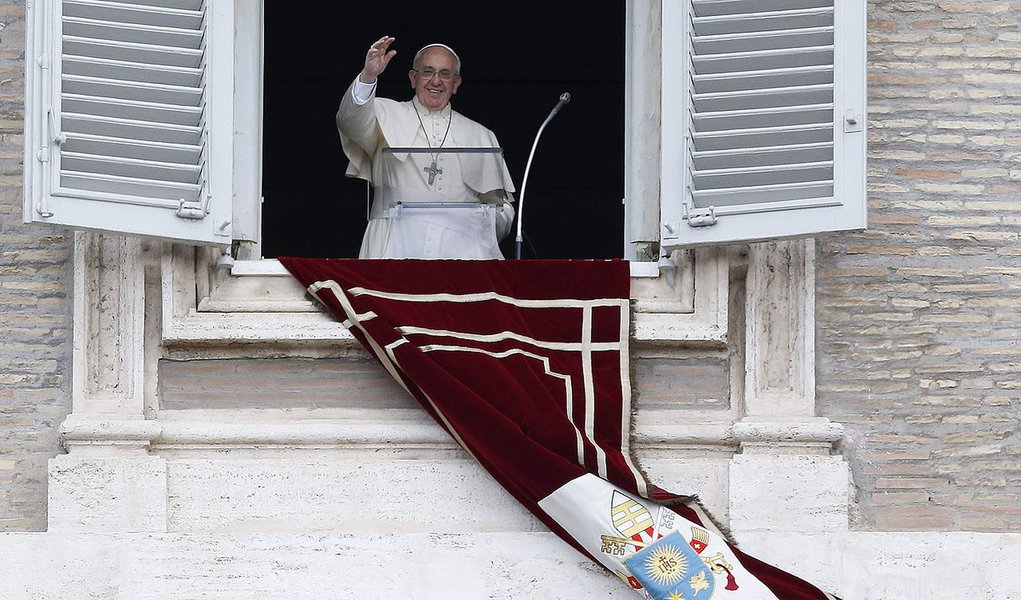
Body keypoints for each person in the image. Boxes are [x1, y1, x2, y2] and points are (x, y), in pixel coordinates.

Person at [336, 36, 516, 259]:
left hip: (463, 252)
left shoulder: (480, 134)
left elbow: (501, 212)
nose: (436, 81)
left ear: (456, 83)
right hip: (393, 246)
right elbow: (349, 120)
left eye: (445, 74)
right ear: (413, 78)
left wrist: (484, 219)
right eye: (428, 72)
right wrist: (368, 76)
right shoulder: (383, 114)